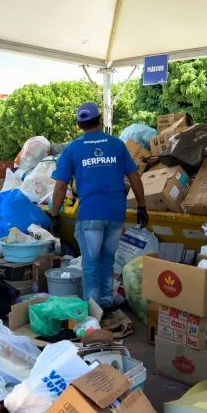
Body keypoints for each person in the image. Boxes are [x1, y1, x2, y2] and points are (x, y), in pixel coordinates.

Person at [50, 102, 148, 308]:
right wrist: (142, 207)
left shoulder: (73, 149)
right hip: (115, 214)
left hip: (90, 215)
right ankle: (105, 303)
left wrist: (54, 215)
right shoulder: (117, 145)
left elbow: (60, 187)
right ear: (101, 120)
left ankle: (92, 308)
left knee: (91, 264)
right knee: (107, 261)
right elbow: (135, 177)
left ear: (79, 124)